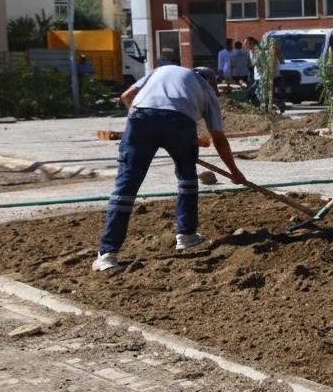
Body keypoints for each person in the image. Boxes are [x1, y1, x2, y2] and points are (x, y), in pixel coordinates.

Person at [92, 66, 246, 272]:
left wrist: (141, 126)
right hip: (180, 124)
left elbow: (127, 95)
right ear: (210, 81)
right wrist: (234, 171)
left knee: (126, 187)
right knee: (187, 179)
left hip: (140, 117)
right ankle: (186, 235)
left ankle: (107, 254)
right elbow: (218, 138)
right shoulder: (207, 91)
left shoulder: (162, 70)